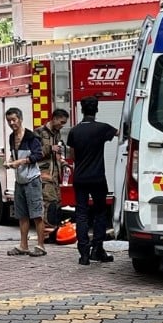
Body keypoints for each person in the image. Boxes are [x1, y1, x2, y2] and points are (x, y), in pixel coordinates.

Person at [66, 96, 118, 265]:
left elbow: (72, 155)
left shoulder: (74, 131)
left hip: (80, 177)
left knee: (81, 214)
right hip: (97, 178)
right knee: (100, 213)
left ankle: (84, 254)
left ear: (82, 110)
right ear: (96, 110)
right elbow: (120, 134)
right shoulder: (102, 128)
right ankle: (98, 248)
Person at [4, 107, 46, 257]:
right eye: (9, 121)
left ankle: (40, 246)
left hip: (32, 180)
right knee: (22, 214)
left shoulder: (31, 137)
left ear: (20, 119)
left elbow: (38, 155)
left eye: (14, 120)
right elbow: (13, 155)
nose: (12, 123)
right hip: (19, 180)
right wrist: (9, 162)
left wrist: (20, 162)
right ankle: (24, 246)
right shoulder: (11, 137)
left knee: (36, 214)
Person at [36, 108, 69, 243]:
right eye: (61, 122)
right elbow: (34, 153)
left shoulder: (57, 134)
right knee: (48, 204)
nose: (62, 125)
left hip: (55, 176)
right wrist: (50, 148)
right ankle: (45, 236)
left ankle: (53, 233)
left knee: (56, 204)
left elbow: (58, 155)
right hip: (44, 175)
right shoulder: (39, 133)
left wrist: (64, 164)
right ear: (54, 118)